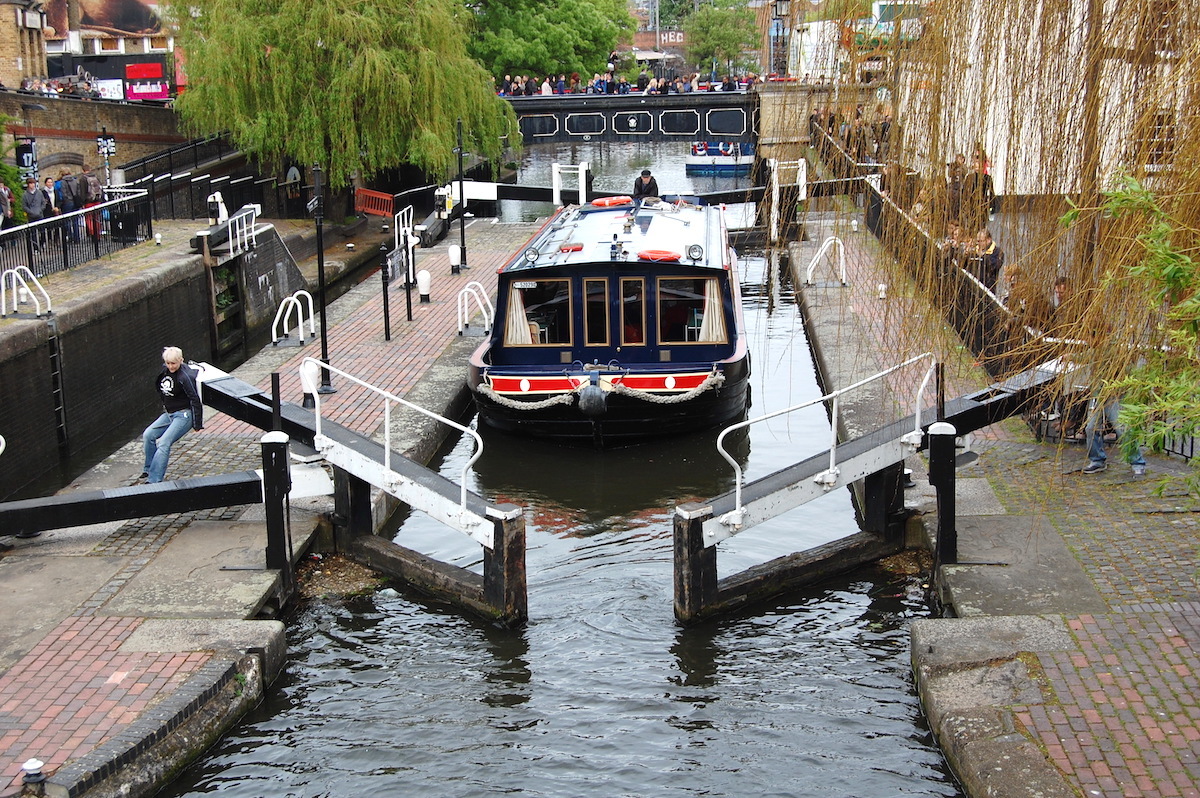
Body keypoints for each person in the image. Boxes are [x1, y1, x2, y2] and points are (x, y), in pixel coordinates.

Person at [141, 346, 204, 484]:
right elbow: (159, 387)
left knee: (164, 443)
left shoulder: (184, 377)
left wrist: (197, 423)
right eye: (168, 363)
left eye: (173, 363)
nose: (171, 366)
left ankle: (154, 479)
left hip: (183, 415)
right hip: (169, 414)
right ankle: (148, 469)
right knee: (148, 435)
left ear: (181, 360)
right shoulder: (165, 371)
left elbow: (195, 399)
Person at [1082, 393, 1146, 475]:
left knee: (1122, 430)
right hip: (1099, 394)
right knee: (1091, 428)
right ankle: (1097, 460)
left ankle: (1137, 462)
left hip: (1115, 395)